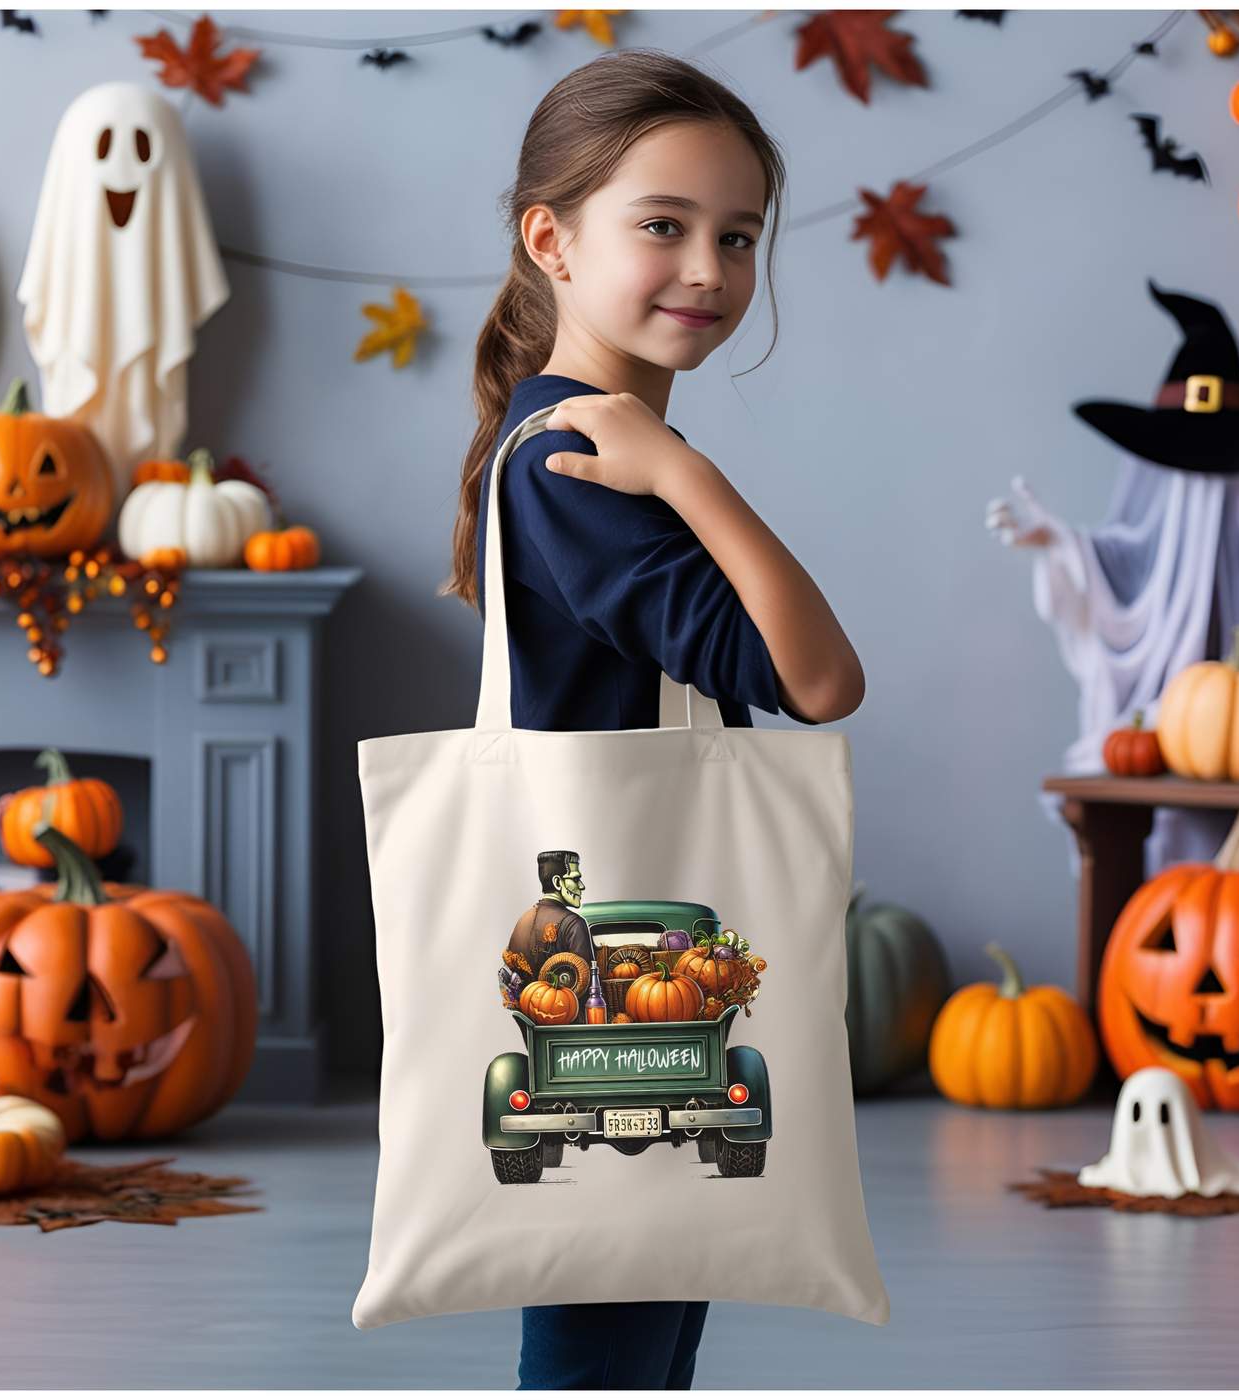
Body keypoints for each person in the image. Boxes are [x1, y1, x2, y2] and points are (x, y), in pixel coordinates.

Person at [446, 49, 864, 1392]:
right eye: (663, 226)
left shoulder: (563, 438)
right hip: (612, 963)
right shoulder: (588, 462)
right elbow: (820, 678)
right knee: (610, 1299)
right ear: (550, 240)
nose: (709, 268)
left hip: (620, 936)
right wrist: (686, 469)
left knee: (632, 1288)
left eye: (737, 236)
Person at [987, 283, 1239, 866]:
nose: (1205, 490)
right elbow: (1122, 562)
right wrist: (1060, 547)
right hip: (1171, 737)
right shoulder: (1155, 518)